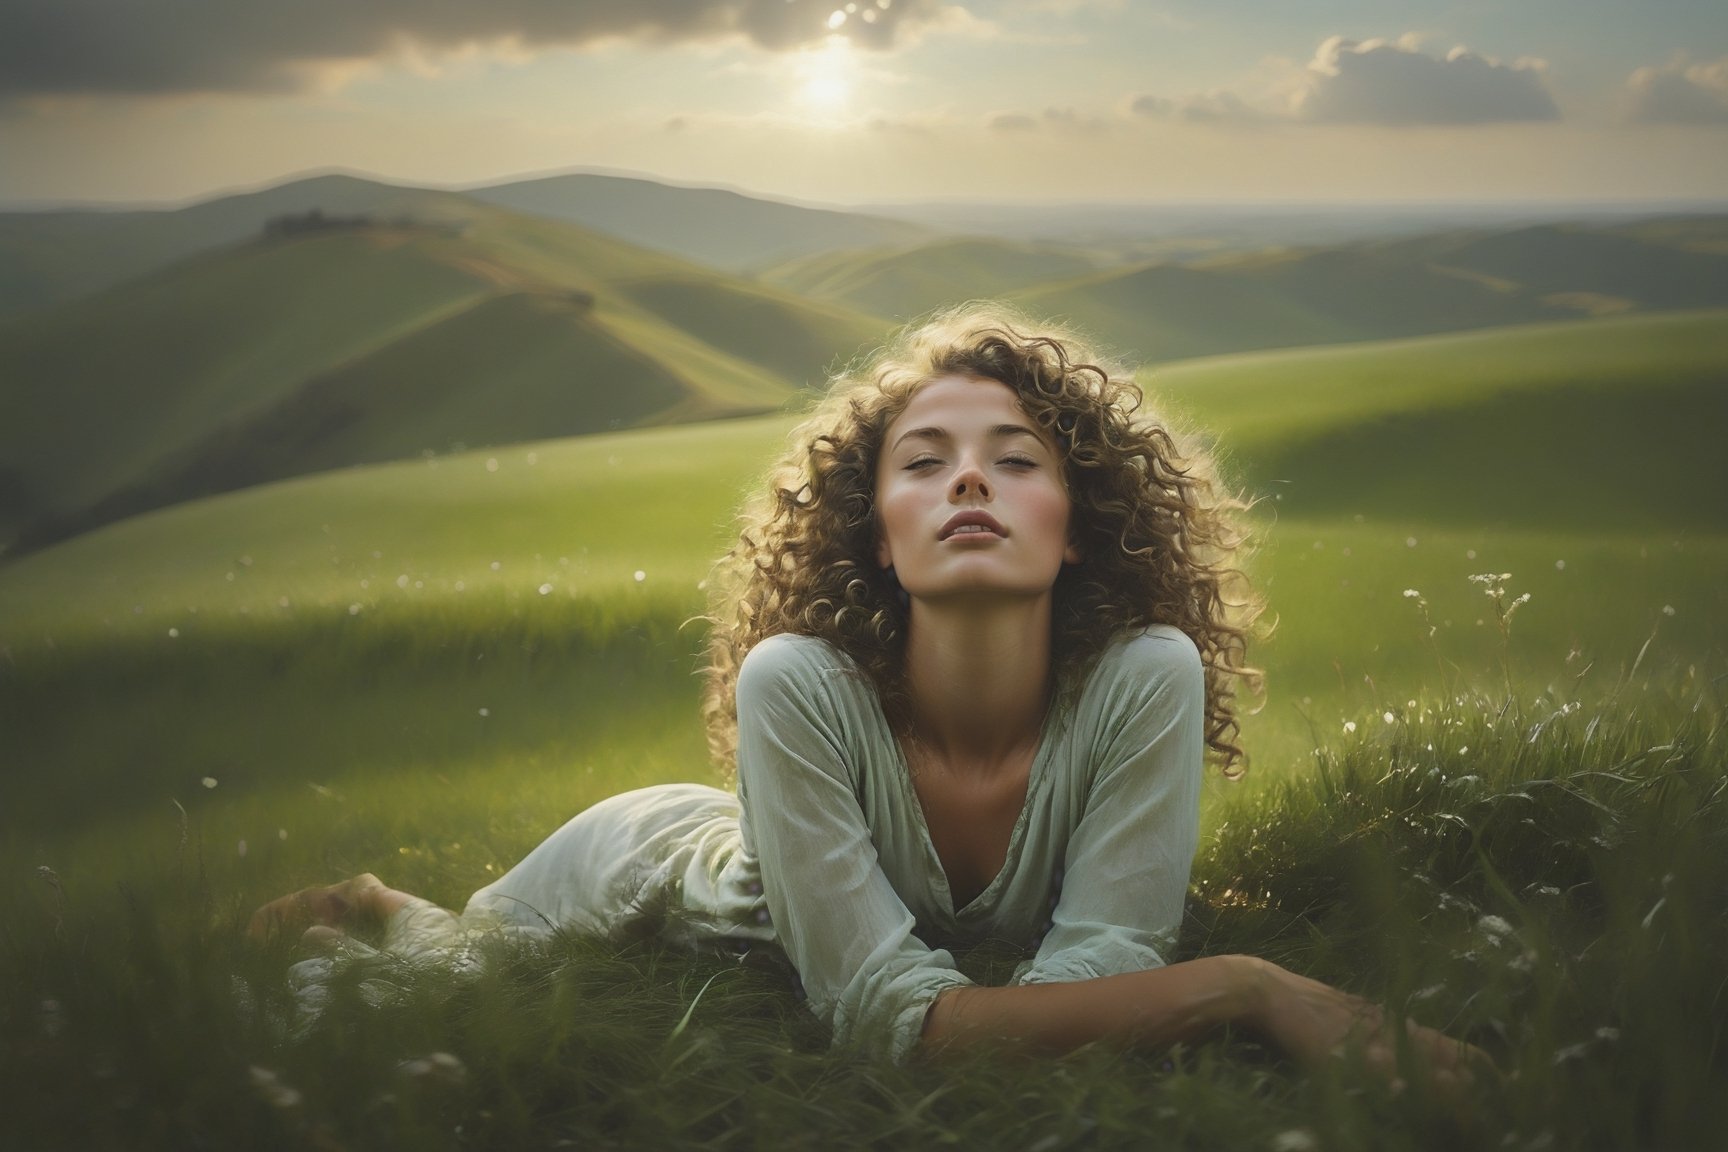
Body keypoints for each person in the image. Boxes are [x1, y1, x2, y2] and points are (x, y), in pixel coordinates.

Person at [250, 303, 1487, 1092]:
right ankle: (375, 905)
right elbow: (895, 1032)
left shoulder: (1143, 678)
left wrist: (1102, 996)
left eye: (1015, 461)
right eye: (925, 462)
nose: (970, 483)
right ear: (881, 540)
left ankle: (379, 900)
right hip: (639, 881)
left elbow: (1085, 978)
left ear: (1075, 530)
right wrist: (1248, 985)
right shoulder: (796, 682)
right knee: (441, 984)